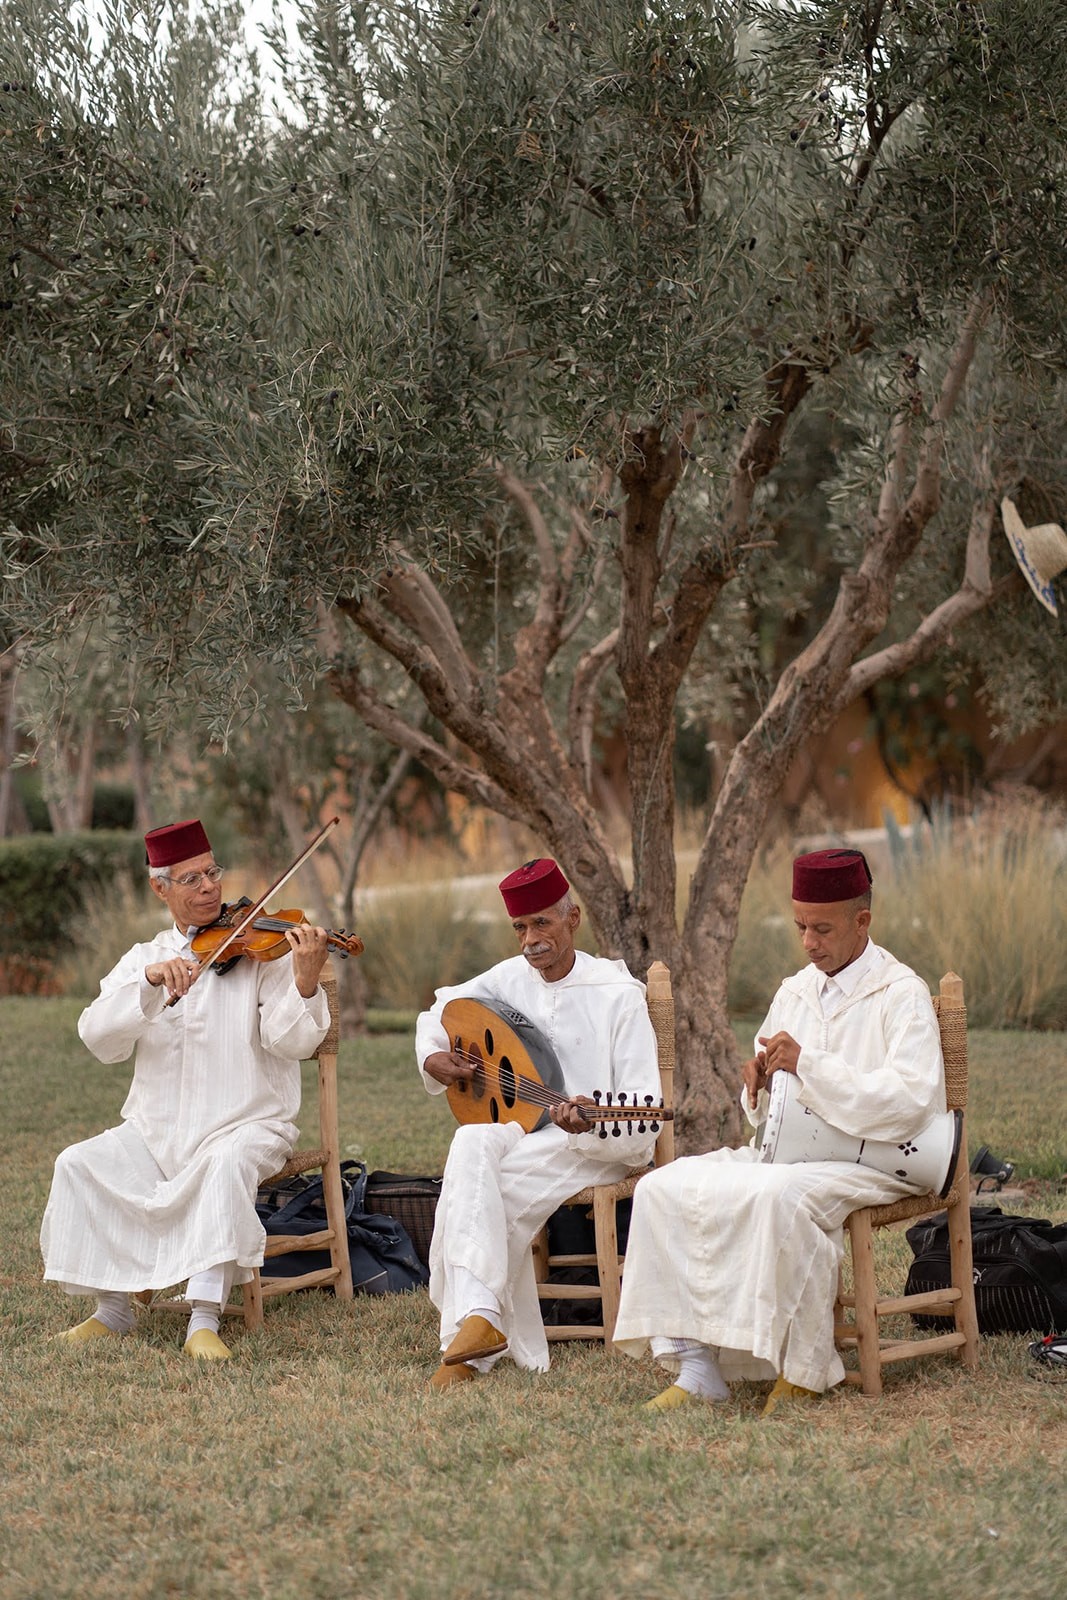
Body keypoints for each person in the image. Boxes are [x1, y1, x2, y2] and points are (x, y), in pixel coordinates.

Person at [612, 847, 946, 1415]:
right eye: (799, 927)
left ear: (861, 921)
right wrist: (759, 1083)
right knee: (663, 1186)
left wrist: (807, 1066)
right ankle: (696, 1364)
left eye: (822, 928)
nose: (808, 941)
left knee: (781, 1195)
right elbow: (773, 1108)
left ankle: (803, 1367)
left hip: (875, 1160)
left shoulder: (901, 993)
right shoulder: (796, 989)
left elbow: (909, 1103)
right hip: (792, 1153)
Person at [40, 818, 332, 1360]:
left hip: (247, 1123)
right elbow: (96, 1035)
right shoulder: (142, 958)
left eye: (212, 873)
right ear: (161, 888)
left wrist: (306, 979)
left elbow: (289, 1041)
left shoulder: (261, 952)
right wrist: (148, 985)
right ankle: (114, 1309)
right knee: (77, 1163)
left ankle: (204, 1318)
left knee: (223, 1166)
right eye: (191, 879)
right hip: (157, 1132)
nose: (209, 889)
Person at [416, 857, 661, 1388]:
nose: (530, 940)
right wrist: (432, 1057)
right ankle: (479, 1320)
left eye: (542, 924)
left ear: (573, 918)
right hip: (532, 1133)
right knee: (470, 1143)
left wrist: (589, 1124)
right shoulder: (509, 978)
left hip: (597, 1148)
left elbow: (644, 1117)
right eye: (520, 928)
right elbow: (439, 1010)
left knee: (473, 1194)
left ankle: (470, 1344)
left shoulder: (618, 996)